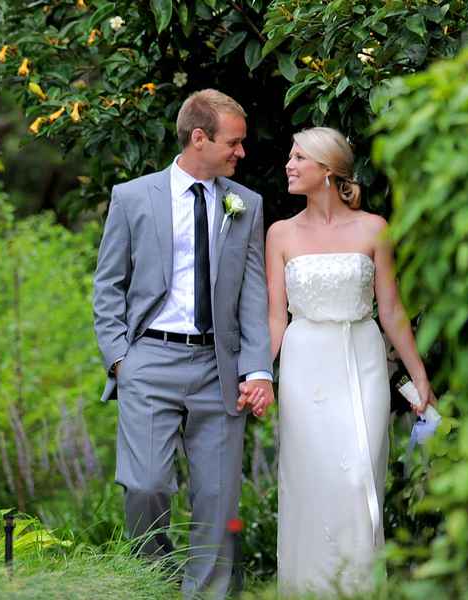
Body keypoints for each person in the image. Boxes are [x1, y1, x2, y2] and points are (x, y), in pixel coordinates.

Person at [92, 89, 275, 598]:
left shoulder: (247, 206)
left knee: (218, 498)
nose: (241, 153)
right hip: (149, 360)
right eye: (233, 143)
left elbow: (252, 293)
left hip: (220, 365)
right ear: (200, 138)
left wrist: (257, 368)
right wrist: (120, 361)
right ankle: (154, 582)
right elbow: (108, 285)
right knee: (146, 484)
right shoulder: (133, 197)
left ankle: (208, 593)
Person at [265, 126, 436, 595]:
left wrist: (419, 378)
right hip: (304, 368)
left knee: (359, 474)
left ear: (327, 171)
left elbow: (393, 310)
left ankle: (360, 588)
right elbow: (275, 318)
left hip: (361, 360)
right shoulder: (280, 233)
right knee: (311, 481)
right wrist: (259, 376)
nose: (289, 165)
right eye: (290, 156)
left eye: (299, 157)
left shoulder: (373, 228)